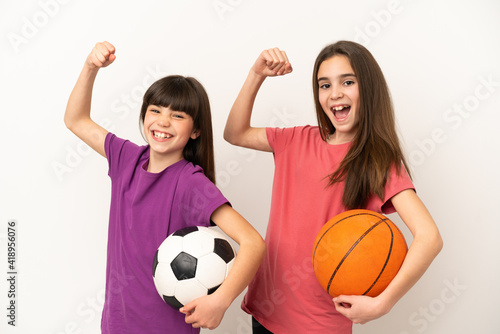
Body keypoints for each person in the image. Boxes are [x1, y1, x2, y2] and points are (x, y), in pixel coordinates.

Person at [224, 40, 443, 333]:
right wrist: (256, 74)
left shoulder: (378, 162)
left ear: (368, 89)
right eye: (324, 85)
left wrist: (383, 303)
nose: (335, 93)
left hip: (320, 323)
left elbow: (429, 237)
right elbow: (235, 133)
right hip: (266, 311)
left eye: (348, 82)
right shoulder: (295, 140)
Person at [64, 41, 266, 334]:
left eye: (178, 116)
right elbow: (75, 119)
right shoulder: (127, 159)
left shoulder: (191, 183)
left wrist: (221, 301)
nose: (163, 122)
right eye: (156, 110)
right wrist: (90, 67)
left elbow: (253, 243)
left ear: (195, 130)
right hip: (116, 325)